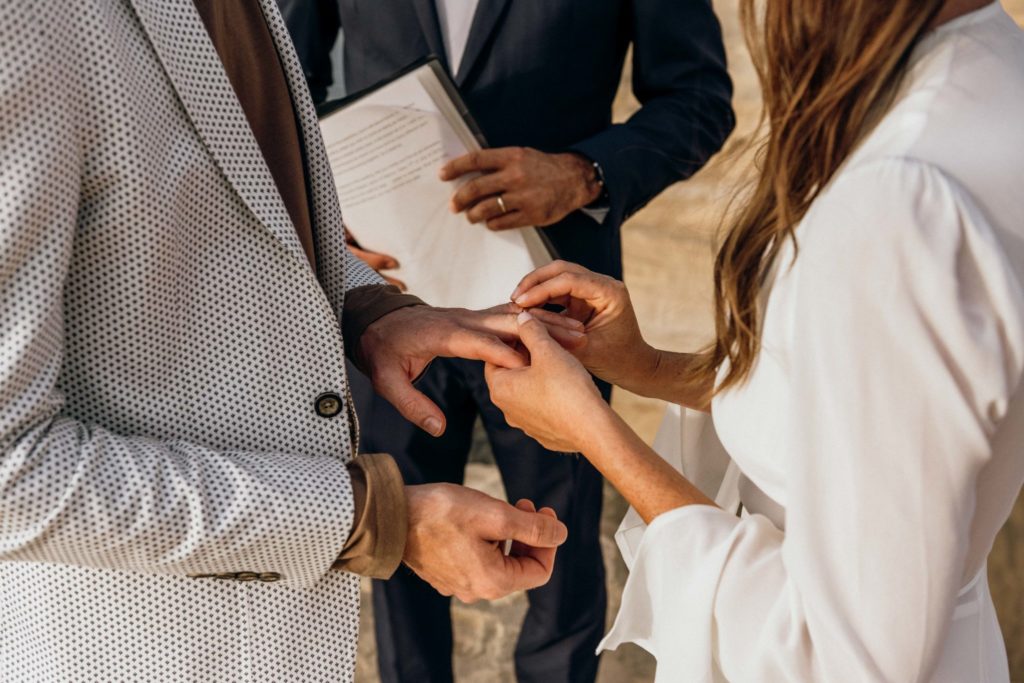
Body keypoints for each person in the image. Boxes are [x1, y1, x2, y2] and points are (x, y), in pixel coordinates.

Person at [0, 0, 580, 680]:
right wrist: (374, 518)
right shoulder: (25, 20)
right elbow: (13, 471)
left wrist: (366, 307)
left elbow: (226, 212)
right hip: (148, 646)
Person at [485, 0, 1024, 681]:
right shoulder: (996, 67)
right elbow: (854, 408)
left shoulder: (898, 204)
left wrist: (593, 428)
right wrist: (645, 365)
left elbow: (834, 658)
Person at [276, 2, 735, 680]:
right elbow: (281, 80)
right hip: (386, 302)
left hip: (557, 319)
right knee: (401, 548)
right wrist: (321, 199)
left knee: (561, 552)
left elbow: (701, 98)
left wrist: (585, 173)